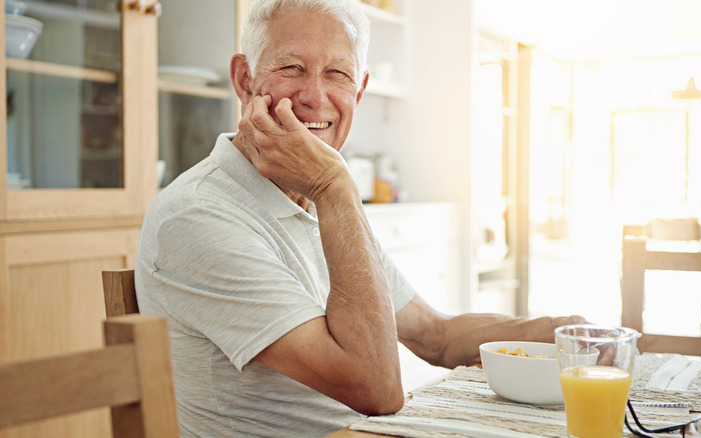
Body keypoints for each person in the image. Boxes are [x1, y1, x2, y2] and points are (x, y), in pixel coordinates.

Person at [135, 0, 586, 436]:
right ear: (245, 79)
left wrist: (564, 333)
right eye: (291, 67)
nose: (315, 95)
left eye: (338, 73)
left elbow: (435, 335)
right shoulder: (199, 215)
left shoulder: (316, 200)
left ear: (359, 90)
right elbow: (376, 388)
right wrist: (335, 187)